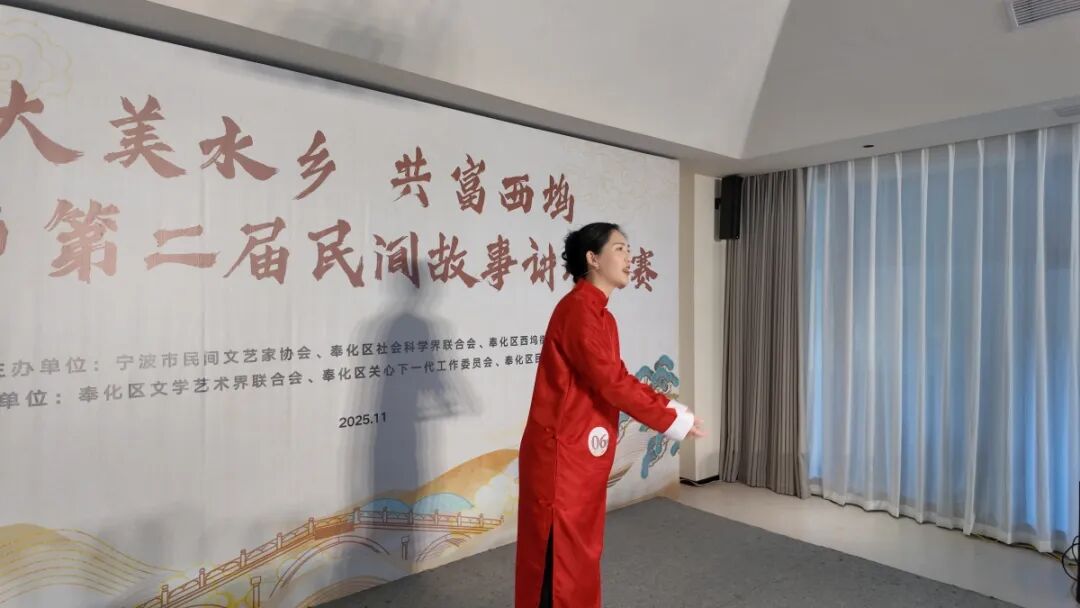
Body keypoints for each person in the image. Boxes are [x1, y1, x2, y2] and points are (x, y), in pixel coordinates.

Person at [514, 222, 704, 608]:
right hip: (561, 454)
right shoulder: (578, 311)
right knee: (560, 557)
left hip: (581, 453)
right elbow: (611, 382)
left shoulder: (602, 316)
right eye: (620, 248)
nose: (629, 257)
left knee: (581, 552)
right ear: (593, 258)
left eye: (629, 249)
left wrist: (672, 410)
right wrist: (671, 419)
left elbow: (618, 377)